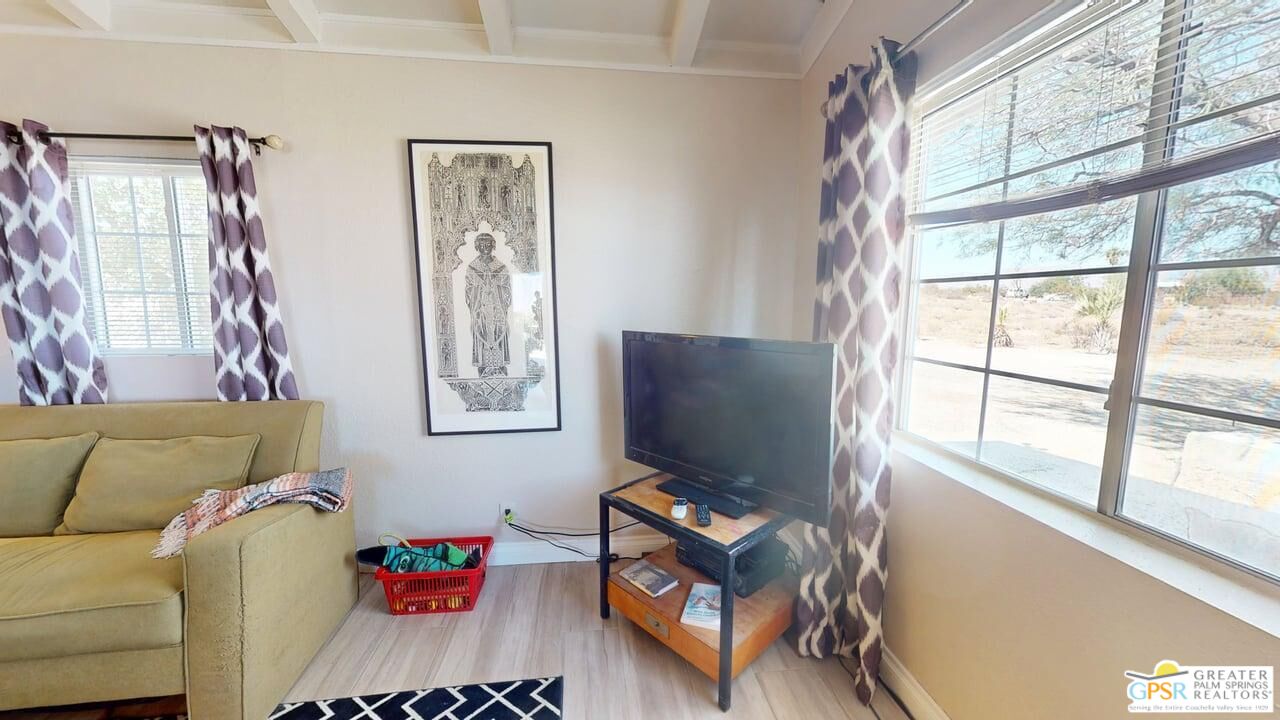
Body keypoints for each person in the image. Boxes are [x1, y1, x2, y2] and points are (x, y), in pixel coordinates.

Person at [464, 232, 512, 377]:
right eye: (482, 244)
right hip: (481, 309)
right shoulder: (472, 267)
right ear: (477, 246)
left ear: (493, 245)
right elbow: (468, 290)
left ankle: (500, 366)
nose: (485, 247)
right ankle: (483, 366)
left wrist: (496, 288)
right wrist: (480, 292)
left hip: (497, 308)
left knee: (498, 331)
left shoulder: (501, 267)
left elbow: (507, 289)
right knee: (481, 331)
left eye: (488, 244)